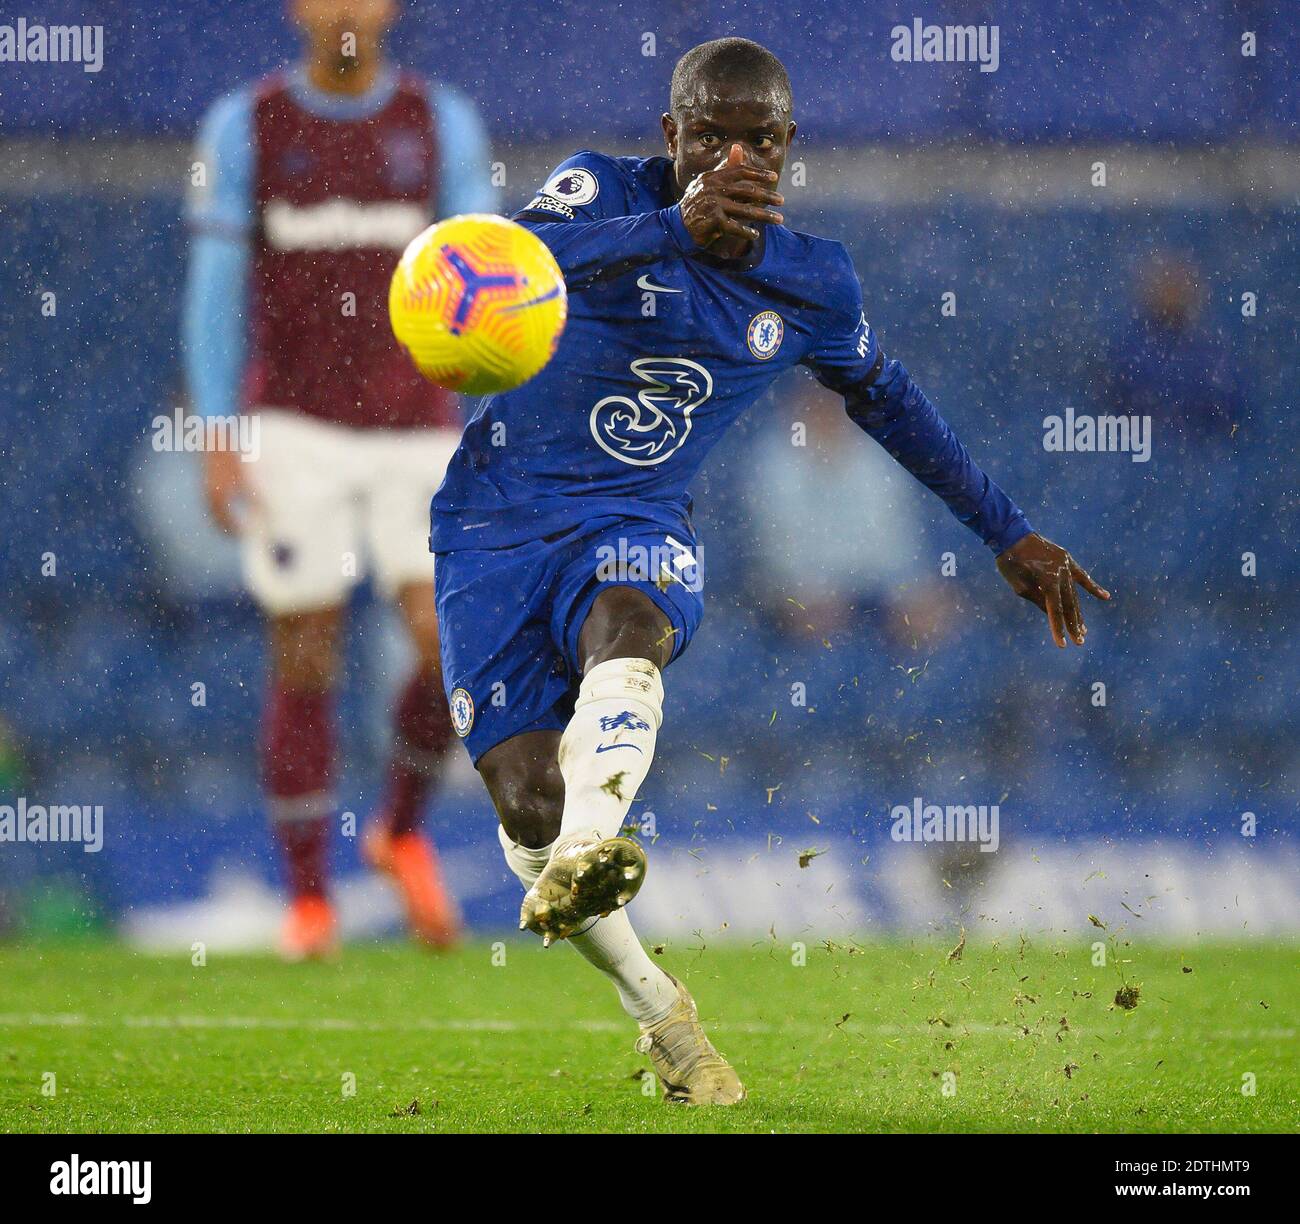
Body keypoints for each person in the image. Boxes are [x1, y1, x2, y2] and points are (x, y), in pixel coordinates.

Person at [432, 37, 1108, 1103]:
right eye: (710, 136)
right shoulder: (599, 188)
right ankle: (663, 1014)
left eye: (759, 138)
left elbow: (890, 403)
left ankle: (593, 843)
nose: (735, 156)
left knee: (628, 618)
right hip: (492, 527)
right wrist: (671, 229)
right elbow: (503, 262)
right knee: (526, 801)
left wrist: (1004, 532)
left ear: (789, 146)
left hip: (636, 518)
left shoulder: (813, 283)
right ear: (672, 137)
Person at [183, 0, 497, 958]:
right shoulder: (246, 124)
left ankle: (399, 831)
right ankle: (311, 900)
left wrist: (493, 415)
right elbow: (214, 283)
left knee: (451, 648)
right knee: (306, 648)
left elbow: (490, 280)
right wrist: (217, 428)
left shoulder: (444, 123)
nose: (348, 9)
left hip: (418, 426)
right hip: (294, 426)